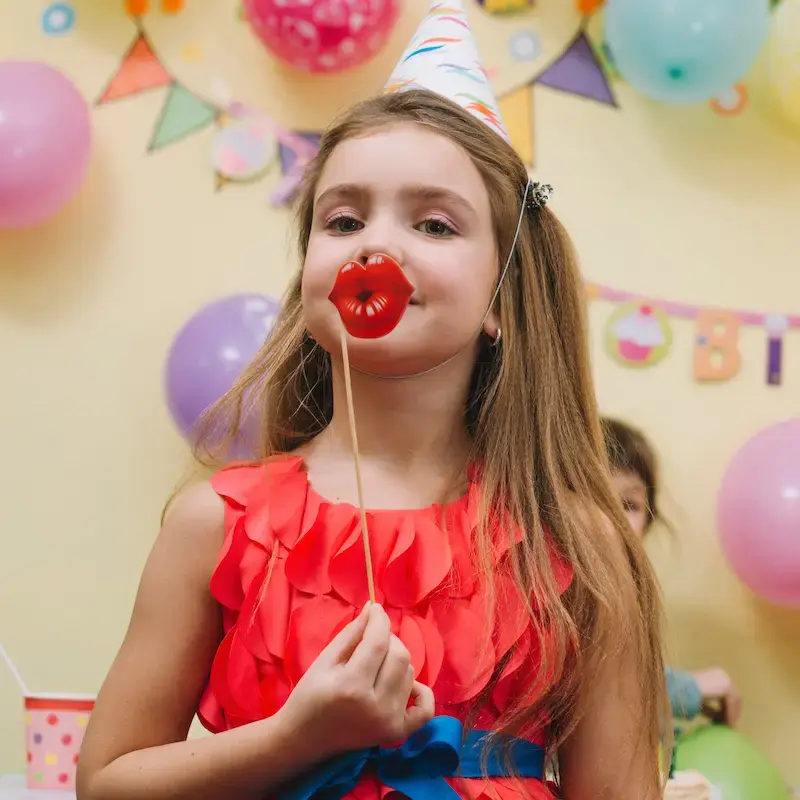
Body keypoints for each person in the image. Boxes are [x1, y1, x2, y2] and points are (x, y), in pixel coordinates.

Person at [76, 4, 670, 799]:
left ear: (501, 298)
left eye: (434, 224)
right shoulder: (213, 525)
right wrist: (297, 738)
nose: (375, 246)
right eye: (345, 219)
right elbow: (106, 783)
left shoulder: (579, 543)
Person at [601, 416, 742, 727]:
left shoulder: (629, 595)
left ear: (648, 522)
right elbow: (596, 693)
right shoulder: (555, 595)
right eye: (596, 498)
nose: (612, 520)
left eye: (628, 504)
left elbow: (627, 681)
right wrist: (689, 688)